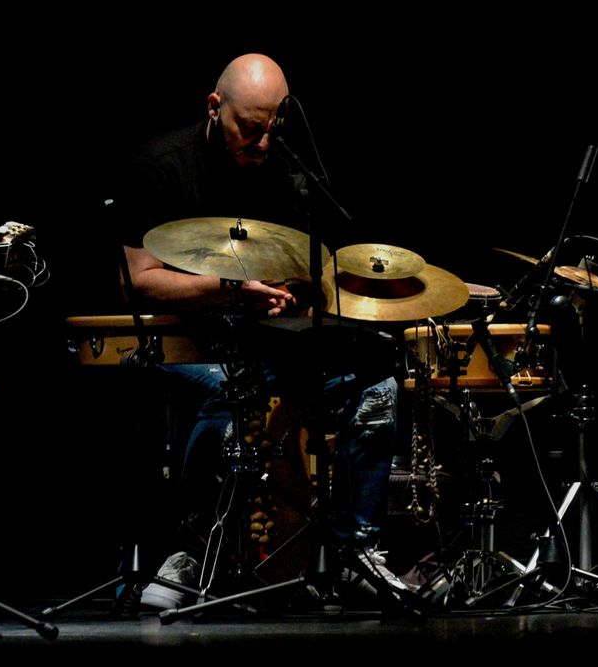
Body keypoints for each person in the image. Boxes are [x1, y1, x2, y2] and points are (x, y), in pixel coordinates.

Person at [117, 53, 402, 606]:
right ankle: (190, 550)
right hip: (181, 342)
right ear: (213, 106)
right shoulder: (161, 165)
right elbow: (137, 281)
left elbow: (304, 267)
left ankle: (358, 553)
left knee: (377, 387)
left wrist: (303, 291)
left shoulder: (285, 170)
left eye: (274, 127)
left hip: (264, 342)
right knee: (234, 389)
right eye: (250, 128)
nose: (264, 141)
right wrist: (231, 290)